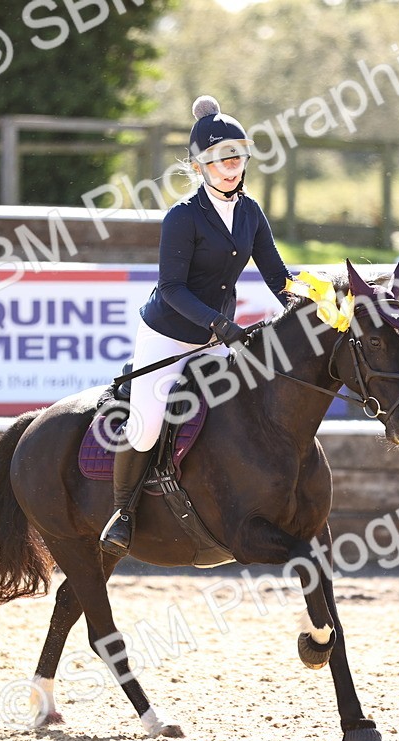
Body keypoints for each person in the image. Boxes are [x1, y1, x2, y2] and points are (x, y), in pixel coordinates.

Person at [99, 95, 294, 558]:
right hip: (168, 333)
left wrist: (312, 303)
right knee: (146, 427)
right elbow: (171, 289)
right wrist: (220, 325)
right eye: (220, 159)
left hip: (214, 337)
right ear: (199, 164)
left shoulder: (250, 213)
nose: (232, 167)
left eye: (237, 157)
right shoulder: (182, 217)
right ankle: (122, 513)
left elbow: (277, 277)